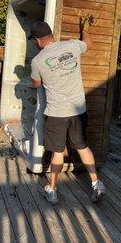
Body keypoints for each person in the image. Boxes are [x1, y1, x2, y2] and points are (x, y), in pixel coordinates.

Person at [30, 19, 106, 204]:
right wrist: (84, 29)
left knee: (57, 152)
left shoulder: (38, 60)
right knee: (82, 147)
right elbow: (89, 43)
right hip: (78, 111)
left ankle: (53, 191)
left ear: (38, 41)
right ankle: (96, 183)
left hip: (56, 113)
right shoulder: (72, 46)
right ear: (52, 36)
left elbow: (36, 83)